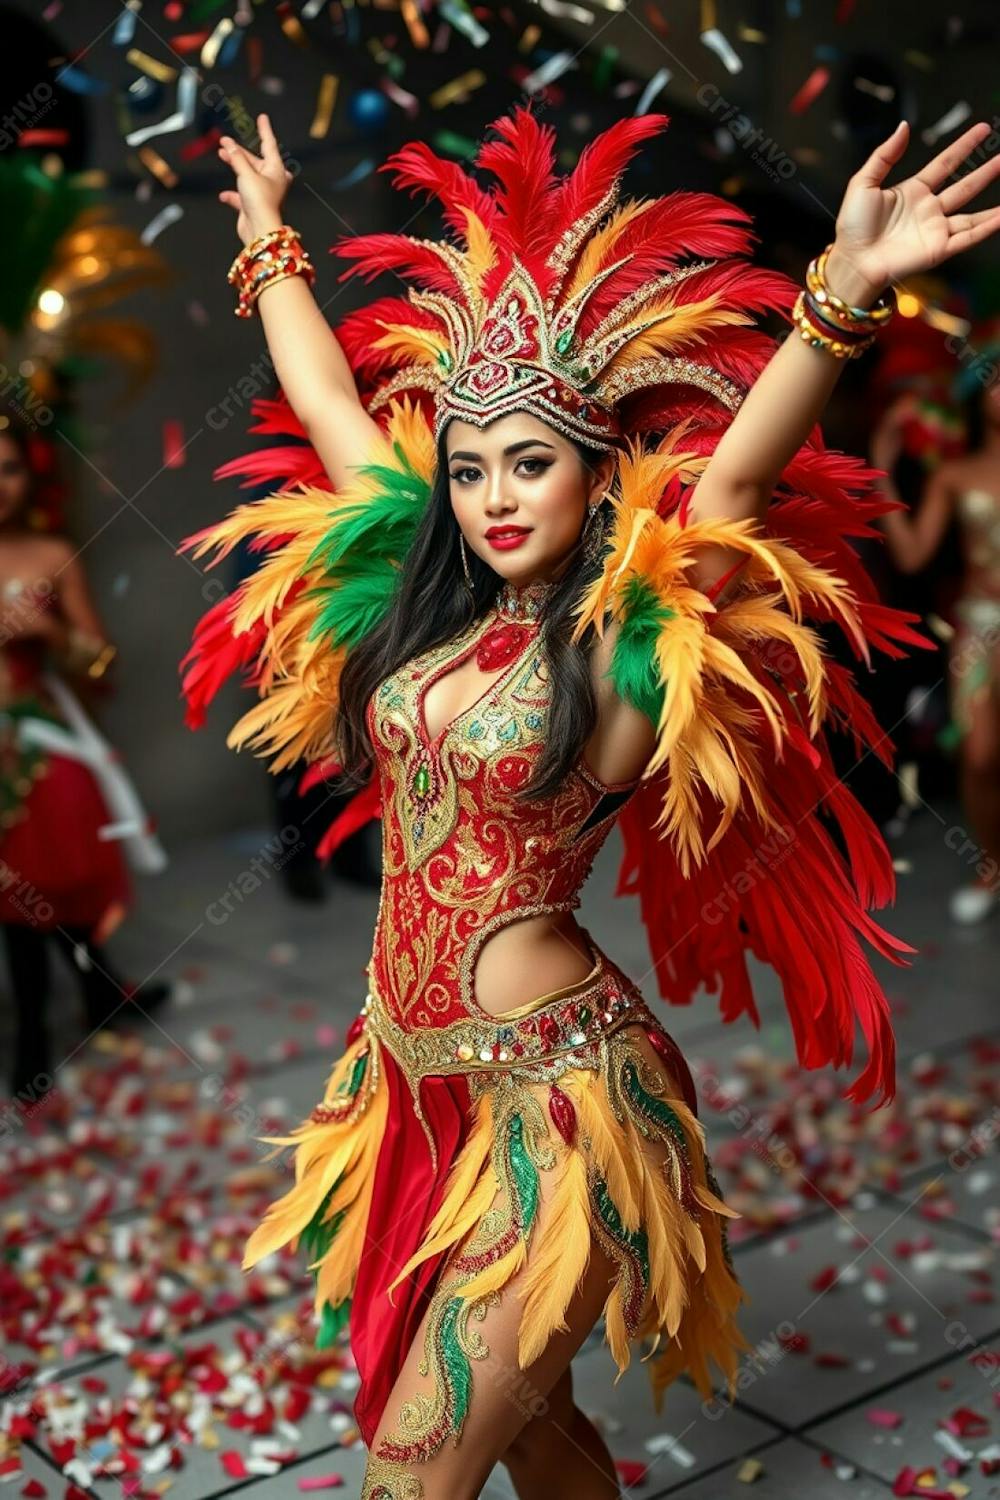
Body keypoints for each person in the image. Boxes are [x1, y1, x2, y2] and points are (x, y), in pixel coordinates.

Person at [182, 107, 1000, 1500]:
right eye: (470, 463)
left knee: (413, 1475)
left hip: (562, 1100)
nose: (496, 494)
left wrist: (846, 292)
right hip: (407, 1084)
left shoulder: (617, 648)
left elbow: (736, 478)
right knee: (544, 1438)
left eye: (533, 459)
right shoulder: (427, 610)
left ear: (597, 472)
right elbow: (330, 410)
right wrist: (269, 243)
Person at [0, 419, 169, 1103]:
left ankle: (75, 1009)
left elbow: (102, 667)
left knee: (55, 880)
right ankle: (76, 1007)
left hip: (41, 745)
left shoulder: (50, 555)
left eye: (8, 467)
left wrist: (48, 631)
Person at [871, 351, 1000, 924]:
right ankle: (991, 863)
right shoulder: (957, 475)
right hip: (979, 628)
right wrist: (882, 471)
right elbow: (911, 553)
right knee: (979, 756)